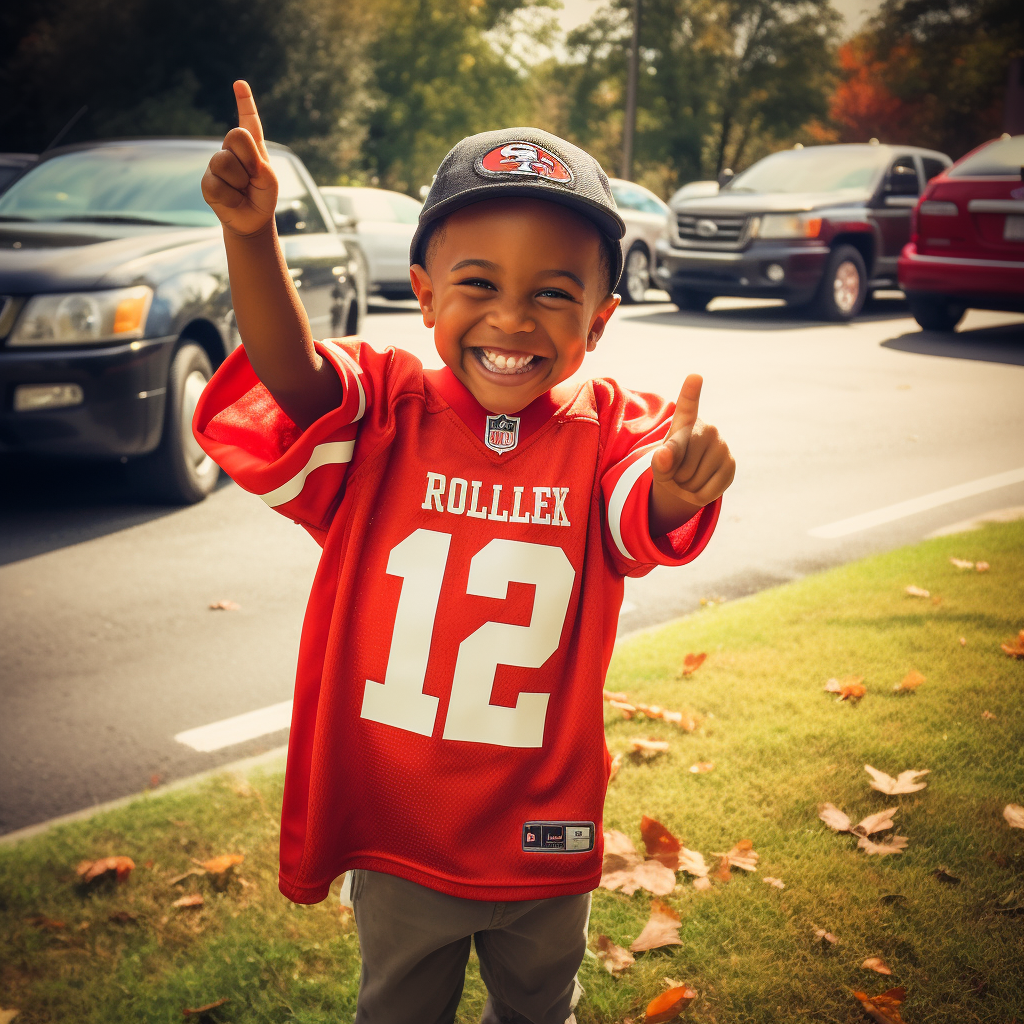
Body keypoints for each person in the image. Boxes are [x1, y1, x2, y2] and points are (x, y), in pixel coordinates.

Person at [195, 80, 736, 1024]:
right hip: (404, 822)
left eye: (554, 294)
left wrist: (676, 488)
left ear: (600, 319)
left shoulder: (610, 430)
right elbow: (293, 375)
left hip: (543, 826)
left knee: (539, 1008)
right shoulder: (384, 407)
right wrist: (251, 236)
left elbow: (634, 505)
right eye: (479, 283)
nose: (512, 319)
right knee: (399, 1008)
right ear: (424, 292)